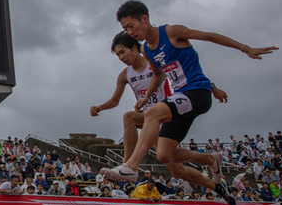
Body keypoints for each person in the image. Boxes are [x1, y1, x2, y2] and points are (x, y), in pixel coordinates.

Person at [102, 0, 276, 205]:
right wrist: (147, 96)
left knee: (152, 114)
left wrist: (245, 48)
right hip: (179, 99)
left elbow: (209, 36)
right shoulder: (148, 51)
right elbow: (159, 75)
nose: (130, 32)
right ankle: (211, 159)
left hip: (197, 93)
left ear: (145, 19)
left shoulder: (172, 32)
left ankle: (130, 166)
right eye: (125, 29)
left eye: (131, 26)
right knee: (165, 154)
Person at [91, 31, 227, 162]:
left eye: (122, 52)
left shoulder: (155, 65)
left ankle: (127, 165)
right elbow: (115, 101)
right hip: (149, 118)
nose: (121, 58)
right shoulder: (125, 75)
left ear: (134, 48)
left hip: (167, 113)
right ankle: (127, 164)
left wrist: (212, 87)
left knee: (174, 166)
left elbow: (184, 75)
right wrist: (100, 107)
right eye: (118, 56)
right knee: (173, 166)